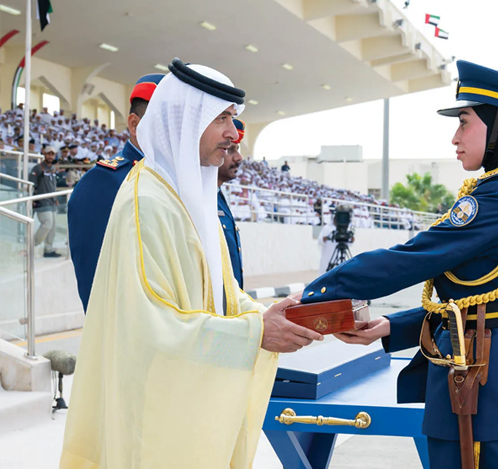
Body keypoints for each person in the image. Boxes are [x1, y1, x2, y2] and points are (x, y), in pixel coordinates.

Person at [60, 59, 323, 469]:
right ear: (185, 122)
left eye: (232, 118)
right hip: (157, 412)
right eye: (221, 118)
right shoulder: (146, 202)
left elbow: (221, 292)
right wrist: (256, 333)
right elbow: (151, 326)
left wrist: (271, 315)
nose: (233, 134)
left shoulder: (188, 196)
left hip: (191, 399)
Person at [298, 60, 498, 468]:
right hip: (497, 361)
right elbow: (489, 297)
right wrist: (393, 327)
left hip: (481, 376)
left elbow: (413, 258)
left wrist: (316, 295)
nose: (455, 137)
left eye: (464, 122)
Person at [68, 73, 165, 312]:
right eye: (165, 123)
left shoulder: (173, 177)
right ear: (134, 125)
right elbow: (95, 277)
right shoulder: (105, 181)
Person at [217, 118, 246, 288]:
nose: (239, 157)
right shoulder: (198, 198)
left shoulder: (217, 195)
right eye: (231, 149)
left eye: (238, 149)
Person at [29, 145, 61, 257]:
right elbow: (31, 184)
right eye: (48, 154)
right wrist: (33, 198)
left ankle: (48, 249)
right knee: (47, 223)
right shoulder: (37, 168)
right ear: (44, 154)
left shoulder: (53, 168)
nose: (50, 156)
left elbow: (53, 185)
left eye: (52, 154)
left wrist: (55, 198)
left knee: (53, 227)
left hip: (52, 201)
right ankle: (32, 245)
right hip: (41, 201)